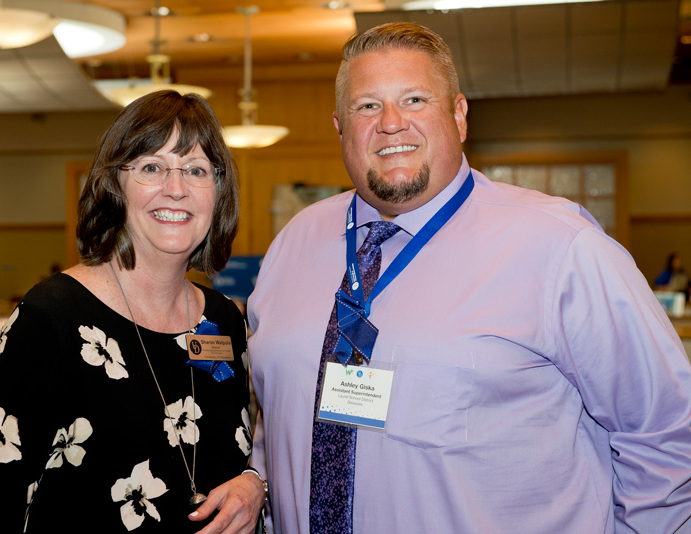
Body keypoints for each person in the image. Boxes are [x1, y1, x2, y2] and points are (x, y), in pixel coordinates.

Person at [247, 22, 691, 534]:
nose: (391, 123)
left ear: (458, 115)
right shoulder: (293, 243)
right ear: (340, 126)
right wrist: (256, 476)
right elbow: (278, 408)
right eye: (367, 106)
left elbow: (664, 434)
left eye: (415, 99)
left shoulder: (561, 248)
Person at [0, 90, 266, 533]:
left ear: (218, 191)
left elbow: (242, 457)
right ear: (113, 184)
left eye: (196, 170)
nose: (175, 189)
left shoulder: (224, 322)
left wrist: (254, 483)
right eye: (152, 167)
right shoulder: (49, 322)